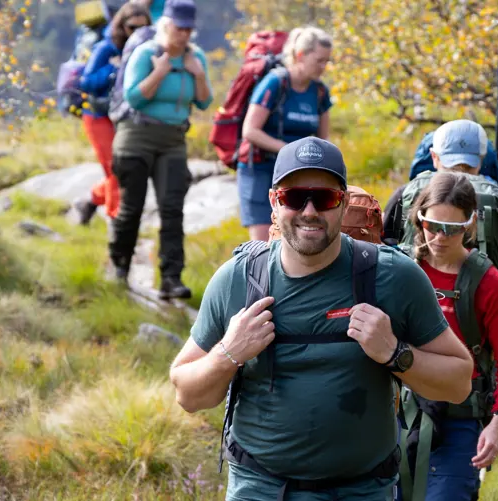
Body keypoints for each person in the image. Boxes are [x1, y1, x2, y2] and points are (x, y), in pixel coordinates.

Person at [169, 137, 476, 501]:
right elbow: (187, 394)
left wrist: (395, 353)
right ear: (274, 203)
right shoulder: (239, 279)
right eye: (295, 198)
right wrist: (229, 353)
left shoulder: (394, 277)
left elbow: (459, 383)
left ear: (344, 203)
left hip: (362, 491)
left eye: (325, 198)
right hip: (261, 488)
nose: (310, 211)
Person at [382, 120, 498, 398]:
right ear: (482, 160)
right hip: (479, 356)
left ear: (434, 156)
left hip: (406, 355)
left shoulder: (405, 195)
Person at [397, 171, 498, 500]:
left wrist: (497, 422)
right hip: (400, 413)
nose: (439, 237)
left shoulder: (490, 283)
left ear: (469, 225)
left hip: (461, 419)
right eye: (431, 225)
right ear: (419, 217)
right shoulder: (403, 270)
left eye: (451, 229)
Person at [106, 0, 213, 298]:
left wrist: (198, 75)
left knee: (172, 208)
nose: (184, 35)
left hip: (173, 140)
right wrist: (160, 72)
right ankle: (120, 268)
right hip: (136, 135)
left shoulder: (197, 57)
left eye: (189, 29)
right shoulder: (145, 53)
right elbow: (134, 98)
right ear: (165, 25)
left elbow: (204, 102)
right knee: (132, 207)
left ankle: (171, 278)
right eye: (179, 28)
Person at [237, 26, 333, 242]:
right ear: (300, 55)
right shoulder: (275, 83)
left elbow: (323, 140)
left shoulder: (319, 92)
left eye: (327, 61)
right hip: (261, 171)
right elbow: (250, 130)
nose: (324, 67)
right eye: (319, 60)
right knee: (262, 245)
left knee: (294, 241)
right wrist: (289, 150)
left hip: (297, 175)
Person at [73, 3, 152, 225]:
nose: (136, 33)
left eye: (142, 28)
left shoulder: (145, 49)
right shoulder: (107, 48)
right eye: (131, 28)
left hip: (124, 118)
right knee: (115, 170)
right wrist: (113, 70)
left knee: (125, 170)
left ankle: (89, 201)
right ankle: (117, 226)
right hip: (97, 116)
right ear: (121, 26)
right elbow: (86, 82)